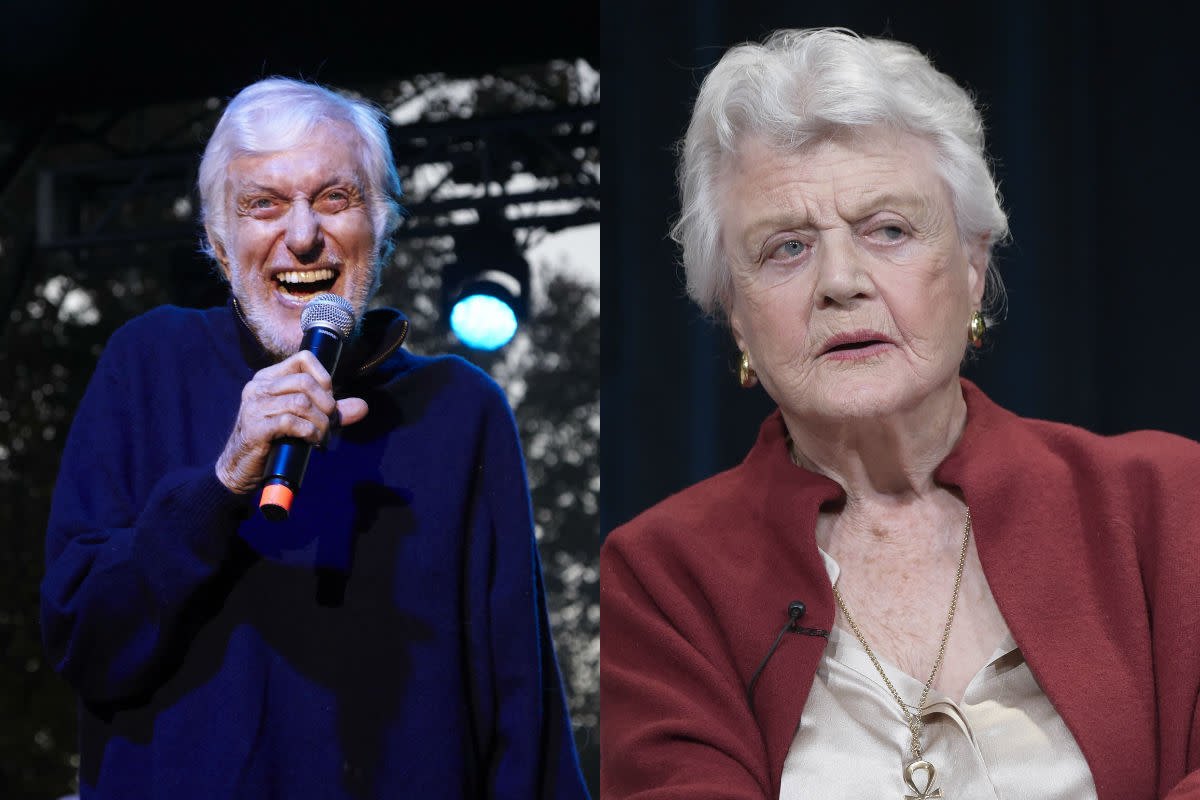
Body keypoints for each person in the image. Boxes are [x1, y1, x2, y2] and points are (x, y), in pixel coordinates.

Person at [600, 28, 1200, 800]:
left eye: (888, 230)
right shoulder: (658, 577)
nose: (840, 281)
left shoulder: (1168, 502)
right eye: (786, 248)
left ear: (974, 268)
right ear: (736, 316)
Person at [41, 77, 587, 799]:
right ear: (216, 238)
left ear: (384, 221)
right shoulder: (147, 364)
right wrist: (220, 484)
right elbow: (84, 638)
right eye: (263, 204)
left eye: (335, 198)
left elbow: (521, 717)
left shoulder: (460, 411)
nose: (301, 234)